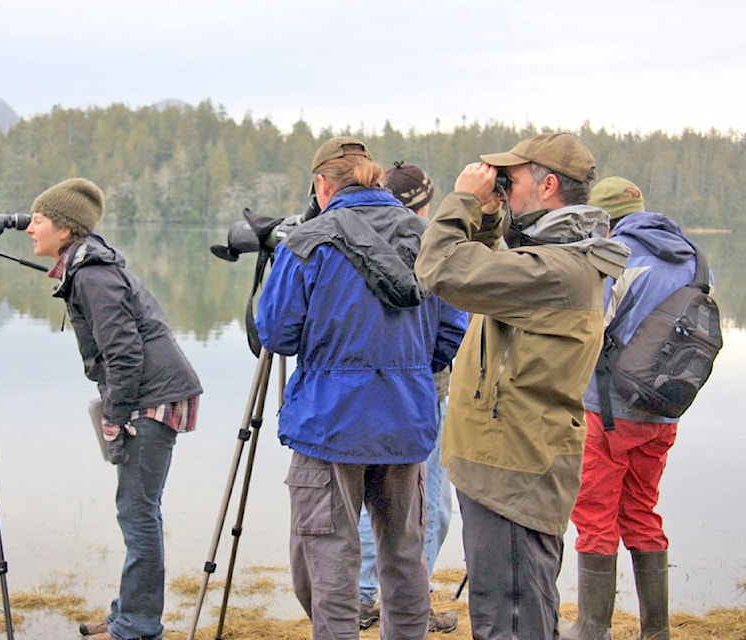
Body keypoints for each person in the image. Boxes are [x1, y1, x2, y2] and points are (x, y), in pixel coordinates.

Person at [414, 133, 631, 640]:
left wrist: (465, 201)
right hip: (507, 464)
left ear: (549, 184)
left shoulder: (560, 269)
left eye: (515, 178)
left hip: (513, 469)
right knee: (514, 611)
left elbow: (441, 268)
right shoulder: (560, 259)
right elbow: (491, 280)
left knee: (512, 623)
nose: (505, 187)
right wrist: (491, 217)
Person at [255, 137, 463, 640]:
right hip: (406, 421)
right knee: (404, 555)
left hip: (328, 425)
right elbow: (454, 328)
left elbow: (277, 334)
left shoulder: (308, 242)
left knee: (328, 557)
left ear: (322, 184)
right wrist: (409, 372)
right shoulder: (425, 237)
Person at [25, 177, 203, 640]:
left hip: (151, 396)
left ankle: (138, 626)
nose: (29, 228)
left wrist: (114, 415)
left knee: (137, 510)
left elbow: (123, 352)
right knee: (138, 507)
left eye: (38, 219)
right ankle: (130, 611)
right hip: (151, 391)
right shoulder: (87, 266)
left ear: (65, 229)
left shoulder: (92, 274)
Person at [561, 177, 695, 640]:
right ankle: (656, 631)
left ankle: (592, 627)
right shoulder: (692, 256)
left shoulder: (617, 257)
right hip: (664, 412)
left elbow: (590, 327)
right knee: (641, 510)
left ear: (603, 218)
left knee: (595, 514)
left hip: (609, 412)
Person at [356, 160, 463, 634]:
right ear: (423, 205)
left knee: (373, 505)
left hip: (365, 394)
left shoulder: (350, 240)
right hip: (421, 396)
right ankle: (407, 603)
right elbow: (452, 328)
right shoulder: (429, 247)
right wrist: (431, 369)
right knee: (427, 506)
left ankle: (362, 597)